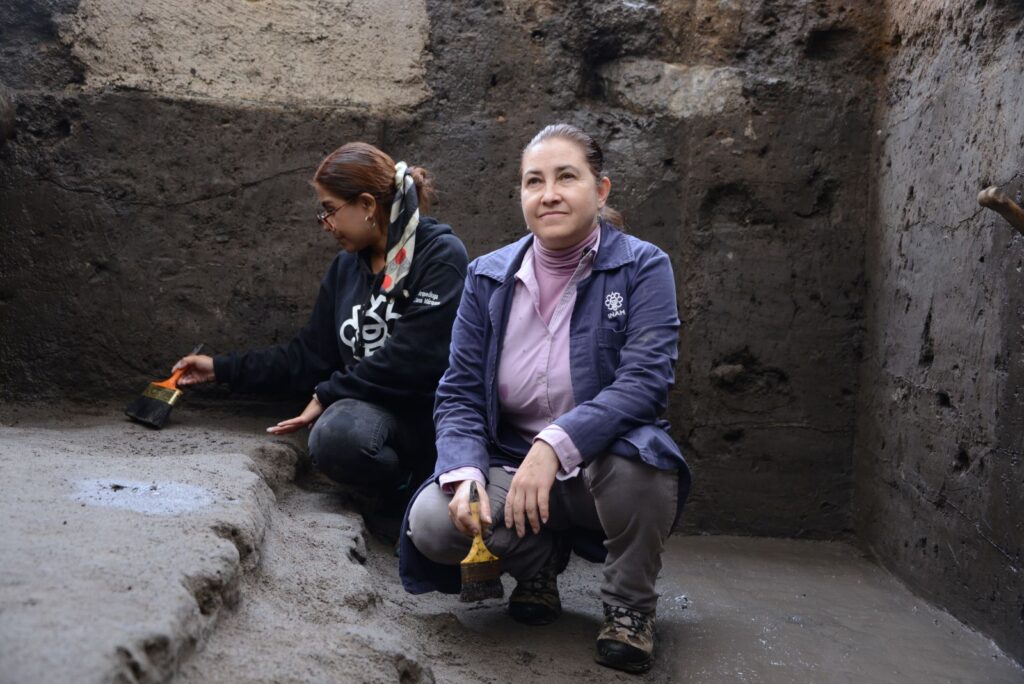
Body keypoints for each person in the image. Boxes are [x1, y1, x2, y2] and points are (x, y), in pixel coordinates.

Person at [400, 124, 691, 674]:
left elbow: (645, 382)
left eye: (566, 177)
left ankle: (629, 607)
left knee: (643, 463)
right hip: (512, 466)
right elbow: (459, 391)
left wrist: (556, 445)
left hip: (600, 468)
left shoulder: (642, 266)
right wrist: (464, 472)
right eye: (534, 181)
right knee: (436, 521)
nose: (549, 193)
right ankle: (538, 563)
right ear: (521, 194)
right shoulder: (487, 277)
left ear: (600, 190)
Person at [173, 142, 468, 501]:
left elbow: (416, 356)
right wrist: (221, 368)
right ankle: (395, 494)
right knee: (336, 438)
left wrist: (330, 392)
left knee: (337, 432)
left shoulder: (440, 255)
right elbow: (308, 356)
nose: (325, 224)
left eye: (330, 210)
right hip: (369, 414)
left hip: (428, 418)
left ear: (367, 205)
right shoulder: (346, 268)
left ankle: (422, 484)